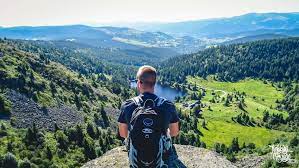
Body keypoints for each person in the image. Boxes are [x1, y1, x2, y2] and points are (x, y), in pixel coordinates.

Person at [118, 65, 180, 168]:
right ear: (154, 84)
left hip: (136, 158)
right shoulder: (167, 105)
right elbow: (174, 132)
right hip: (160, 155)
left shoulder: (127, 105)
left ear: (139, 83)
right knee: (166, 133)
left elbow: (123, 134)